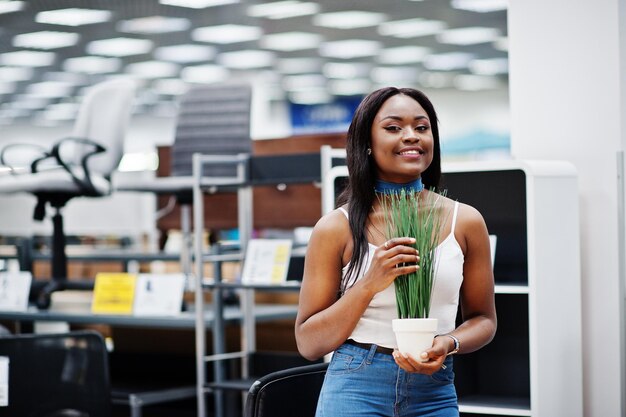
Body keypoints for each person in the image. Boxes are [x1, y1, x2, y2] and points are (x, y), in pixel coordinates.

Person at [295, 86, 497, 416]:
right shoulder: (336, 228)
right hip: (356, 385)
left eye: (421, 127)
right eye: (393, 128)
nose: (411, 136)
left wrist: (448, 343)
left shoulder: (466, 221)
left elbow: (484, 320)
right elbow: (309, 342)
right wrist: (369, 283)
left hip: (434, 390)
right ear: (368, 144)